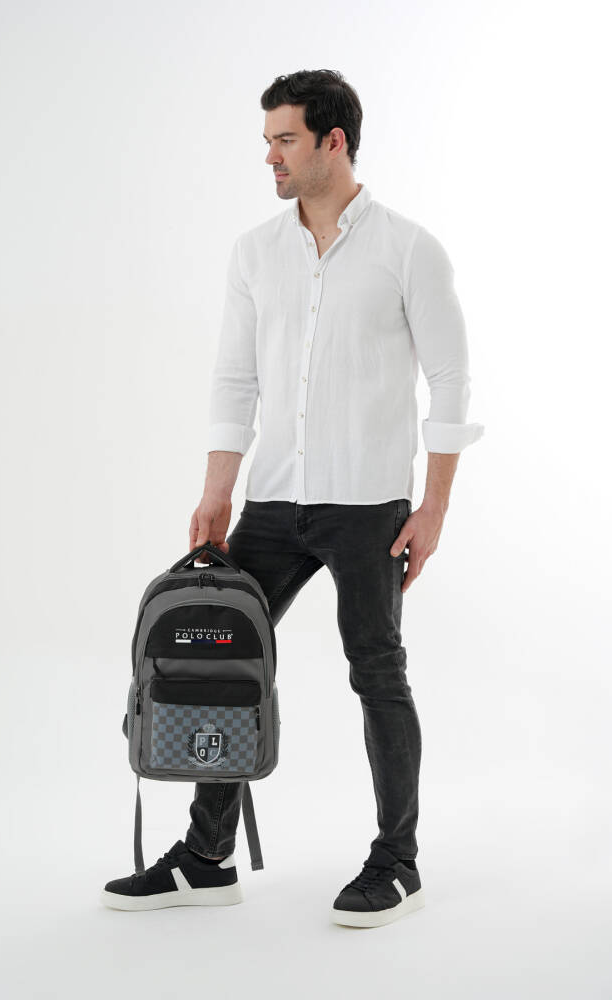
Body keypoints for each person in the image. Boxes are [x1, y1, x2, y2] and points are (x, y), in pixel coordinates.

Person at [101, 69, 484, 928]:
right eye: (268, 139)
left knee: (376, 671)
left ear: (332, 142)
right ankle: (206, 859)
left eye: (285, 139)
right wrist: (216, 494)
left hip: (368, 506)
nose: (270, 156)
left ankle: (396, 863)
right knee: (216, 661)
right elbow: (234, 379)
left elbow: (451, 381)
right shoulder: (255, 252)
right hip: (271, 503)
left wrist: (433, 508)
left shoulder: (407, 248)